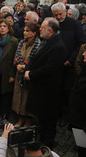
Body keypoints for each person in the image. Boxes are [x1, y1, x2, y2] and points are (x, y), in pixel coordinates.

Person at [24, 18, 66, 148]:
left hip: (49, 90)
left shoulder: (58, 46)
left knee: (49, 118)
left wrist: (31, 74)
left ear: (50, 30)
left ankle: (46, 144)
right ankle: (40, 139)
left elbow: (50, 68)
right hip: (41, 88)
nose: (39, 29)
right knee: (41, 117)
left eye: (42, 27)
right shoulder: (47, 41)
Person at [12, 23, 41, 127]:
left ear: (34, 33)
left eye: (27, 31)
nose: (24, 32)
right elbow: (17, 56)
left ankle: (28, 120)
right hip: (19, 75)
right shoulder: (22, 43)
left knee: (27, 99)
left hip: (29, 76)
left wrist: (25, 67)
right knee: (18, 97)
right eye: (24, 30)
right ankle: (20, 118)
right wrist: (18, 65)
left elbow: (35, 61)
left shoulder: (38, 45)